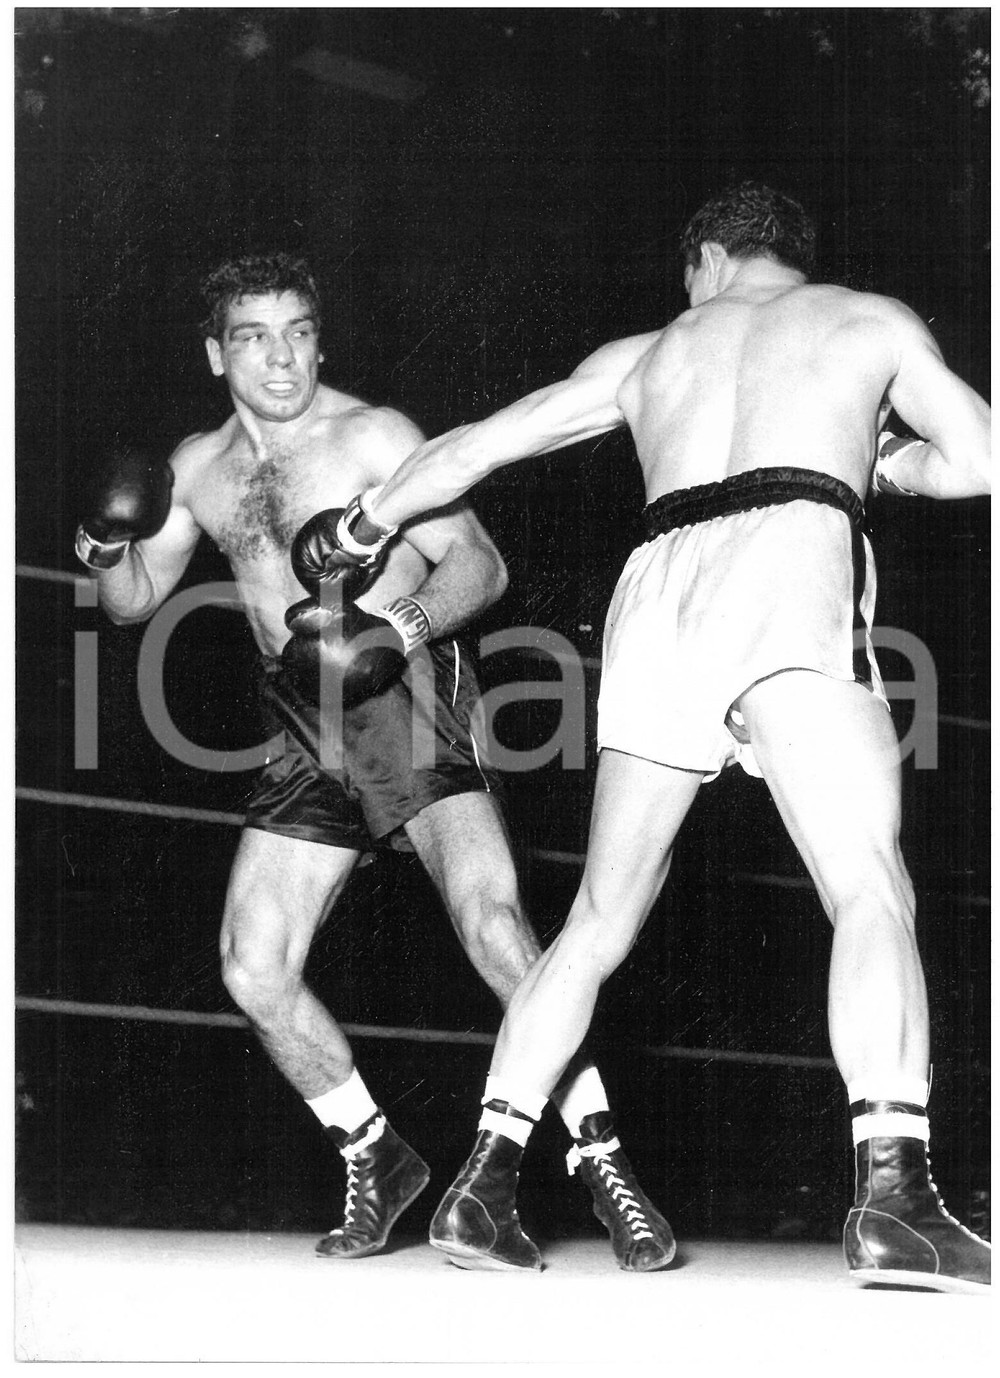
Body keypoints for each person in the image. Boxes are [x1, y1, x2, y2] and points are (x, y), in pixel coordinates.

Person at [333, 183, 991, 1291]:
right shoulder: (868, 320)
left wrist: (363, 524)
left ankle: (483, 1185)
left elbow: (481, 445)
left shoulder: (646, 354)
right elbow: (978, 458)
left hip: (657, 590)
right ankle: (894, 1200)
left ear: (708, 259)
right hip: (790, 557)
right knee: (867, 887)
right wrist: (884, 463)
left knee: (597, 920)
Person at [73, 252, 676, 1273]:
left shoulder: (373, 436)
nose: (282, 358)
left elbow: (481, 564)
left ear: (321, 340)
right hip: (300, 713)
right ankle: (374, 1154)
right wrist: (101, 545)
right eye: (255, 337)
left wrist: (402, 625)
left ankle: (601, 1158)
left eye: (299, 332)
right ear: (217, 354)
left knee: (492, 924)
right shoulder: (200, 466)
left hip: (403, 690)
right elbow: (135, 601)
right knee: (253, 965)